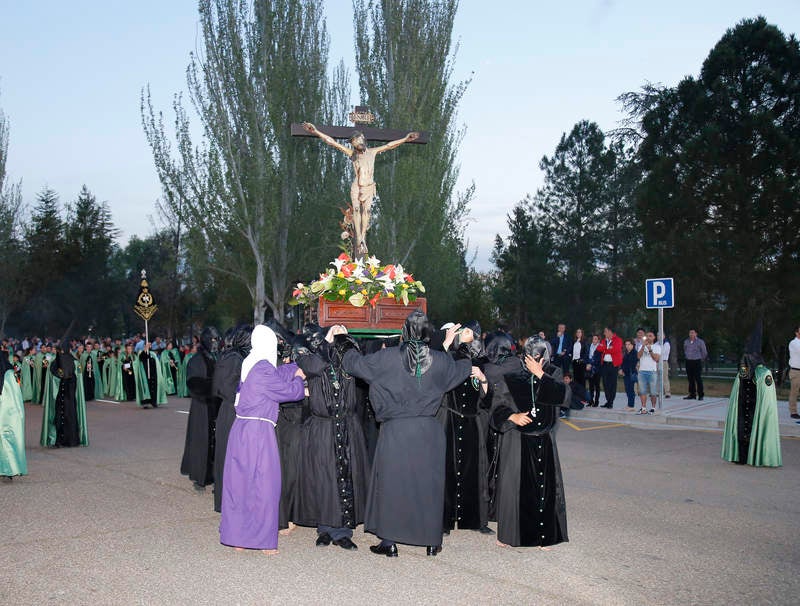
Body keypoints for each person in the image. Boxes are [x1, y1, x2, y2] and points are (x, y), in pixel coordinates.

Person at [341, 311, 473, 557]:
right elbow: (462, 369)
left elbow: (354, 365)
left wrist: (345, 342)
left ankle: (389, 542)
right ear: (429, 334)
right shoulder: (441, 361)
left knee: (392, 485)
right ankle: (432, 542)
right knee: (429, 487)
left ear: (403, 332)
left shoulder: (386, 358)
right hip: (429, 431)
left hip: (396, 430)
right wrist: (463, 349)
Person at [219, 324, 306, 555]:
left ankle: (238, 537)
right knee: (265, 485)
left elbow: (276, 376)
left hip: (241, 431)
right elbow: (292, 392)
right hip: (258, 432)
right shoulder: (263, 369)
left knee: (241, 485)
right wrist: (298, 377)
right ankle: (263, 541)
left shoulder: (250, 364)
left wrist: (291, 368)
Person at [485, 334, 569, 549]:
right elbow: (498, 406)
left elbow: (566, 397)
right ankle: (510, 535)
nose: (532, 361)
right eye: (529, 357)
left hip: (544, 440)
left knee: (545, 489)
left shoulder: (553, 374)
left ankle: (545, 536)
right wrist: (511, 417)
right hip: (518, 440)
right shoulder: (512, 376)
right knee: (514, 489)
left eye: (538, 357)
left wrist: (541, 375)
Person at [295, 327, 369, 551]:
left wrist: (346, 340)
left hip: (347, 425)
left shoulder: (349, 356)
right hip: (322, 426)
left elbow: (362, 367)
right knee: (323, 477)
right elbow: (312, 366)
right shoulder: (311, 355)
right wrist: (326, 343)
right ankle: (324, 528)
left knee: (345, 476)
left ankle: (343, 531)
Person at [302, 121, 419, 255]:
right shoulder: (352, 154)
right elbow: (332, 142)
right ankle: (358, 239)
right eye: (355, 141)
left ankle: (362, 237)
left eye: (360, 139)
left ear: (363, 139)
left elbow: (389, 145)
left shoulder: (373, 152)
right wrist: (316, 131)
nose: (358, 142)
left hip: (369, 187)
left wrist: (405, 138)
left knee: (367, 212)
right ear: (352, 144)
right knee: (357, 210)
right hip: (357, 187)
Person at [437, 321, 493, 536]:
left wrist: (483, 379)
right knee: (447, 469)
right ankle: (445, 520)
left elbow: (487, 399)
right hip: (450, 420)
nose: (464, 333)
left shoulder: (480, 361)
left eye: (469, 331)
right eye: (463, 331)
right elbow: (434, 369)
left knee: (474, 470)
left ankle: (476, 518)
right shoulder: (449, 357)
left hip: (472, 422)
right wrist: (445, 343)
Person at [721, 327, 781, 467]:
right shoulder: (742, 373)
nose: (746, 359)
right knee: (741, 430)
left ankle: (757, 455)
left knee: (754, 429)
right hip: (742, 409)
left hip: (756, 409)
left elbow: (767, 400)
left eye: (750, 356)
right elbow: (738, 388)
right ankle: (740, 455)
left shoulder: (764, 373)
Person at [211, 325, 252, 513]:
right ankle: (226, 501)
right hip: (231, 412)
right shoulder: (234, 358)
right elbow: (226, 387)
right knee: (228, 457)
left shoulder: (233, 356)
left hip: (231, 410)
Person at [180, 327, 220, 491]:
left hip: (216, 406)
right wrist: (212, 390)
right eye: (212, 340)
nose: (215, 343)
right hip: (202, 407)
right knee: (201, 441)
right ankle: (200, 475)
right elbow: (194, 383)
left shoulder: (217, 357)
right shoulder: (196, 360)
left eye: (216, 340)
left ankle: (215, 474)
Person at [41, 347, 88, 448]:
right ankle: (61, 440)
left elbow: (77, 380)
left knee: (65, 416)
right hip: (63, 397)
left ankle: (64, 440)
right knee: (61, 417)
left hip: (66, 397)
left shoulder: (72, 363)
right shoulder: (57, 363)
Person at [0, 355, 27, 479]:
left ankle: (6, 469)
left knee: (4, 438)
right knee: (11, 440)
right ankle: (12, 468)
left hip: (4, 414)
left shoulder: (4, 376)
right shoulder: (12, 372)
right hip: (15, 414)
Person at [596, 327, 623, 408]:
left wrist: (605, 349)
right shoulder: (604, 340)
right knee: (605, 383)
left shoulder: (618, 340)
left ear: (610, 332)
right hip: (604, 364)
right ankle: (608, 400)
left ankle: (610, 402)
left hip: (613, 365)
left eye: (605, 331)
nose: (604, 333)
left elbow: (616, 349)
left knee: (612, 383)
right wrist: (607, 349)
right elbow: (598, 348)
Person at [636, 331, 661, 414]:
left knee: (653, 392)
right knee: (642, 391)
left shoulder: (657, 347)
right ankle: (643, 408)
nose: (648, 337)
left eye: (650, 336)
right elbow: (638, 356)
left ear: (654, 337)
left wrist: (650, 350)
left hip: (652, 372)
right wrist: (643, 346)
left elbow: (656, 359)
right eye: (647, 336)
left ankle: (653, 408)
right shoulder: (641, 346)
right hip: (642, 371)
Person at [683, 329, 708, 400]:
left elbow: (704, 352)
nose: (691, 334)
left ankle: (700, 395)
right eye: (690, 333)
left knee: (698, 378)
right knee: (690, 379)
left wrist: (701, 359)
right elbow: (685, 349)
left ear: (696, 334)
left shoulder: (700, 342)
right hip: (688, 361)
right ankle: (692, 394)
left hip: (697, 361)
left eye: (692, 333)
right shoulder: (686, 341)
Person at [620, 338, 638, 411]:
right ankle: (629, 404)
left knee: (630, 390)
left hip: (631, 373)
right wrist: (621, 369)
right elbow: (623, 362)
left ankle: (631, 405)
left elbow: (632, 364)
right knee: (627, 389)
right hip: (625, 373)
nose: (627, 346)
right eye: (626, 344)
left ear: (633, 345)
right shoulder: (625, 353)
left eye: (629, 344)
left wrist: (624, 369)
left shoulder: (634, 353)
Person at [787, 325, 800, 420]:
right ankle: (793, 412)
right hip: (796, 371)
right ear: (796, 333)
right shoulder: (794, 343)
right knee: (794, 392)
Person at [585, 334, 602, 407]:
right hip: (589, 368)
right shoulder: (589, 346)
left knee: (597, 386)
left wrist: (591, 364)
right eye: (593, 339)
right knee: (591, 386)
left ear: (598, 340)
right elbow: (587, 356)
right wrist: (587, 364)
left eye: (595, 339)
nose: (594, 340)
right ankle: (590, 401)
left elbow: (598, 359)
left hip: (597, 369)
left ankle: (596, 401)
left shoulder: (600, 347)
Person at [658, 331, 672, 398]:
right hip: (657, 362)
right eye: (658, 335)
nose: (659, 337)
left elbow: (662, 352)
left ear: (664, 336)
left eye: (661, 335)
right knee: (657, 377)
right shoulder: (656, 343)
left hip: (663, 361)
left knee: (665, 377)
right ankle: (658, 391)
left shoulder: (666, 343)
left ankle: (667, 392)